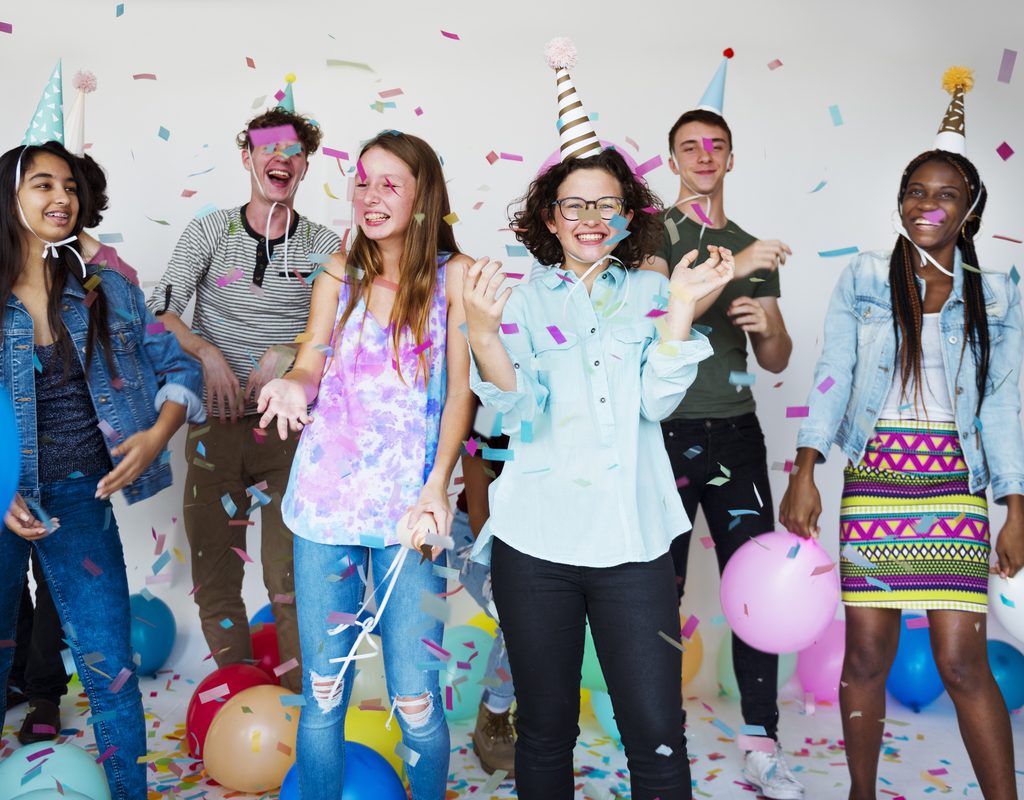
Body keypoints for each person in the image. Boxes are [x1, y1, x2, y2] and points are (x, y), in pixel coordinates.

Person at [462, 39, 733, 800]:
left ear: (626, 215)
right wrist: (483, 335)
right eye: (573, 203)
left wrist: (680, 310)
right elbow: (515, 419)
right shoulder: (515, 299)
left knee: (657, 735)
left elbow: (656, 403)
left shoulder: (650, 295)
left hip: (632, 544)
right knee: (544, 732)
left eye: (605, 202)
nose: (589, 216)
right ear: (549, 217)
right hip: (536, 545)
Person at [779, 68, 1022, 800]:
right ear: (900, 204)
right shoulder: (862, 279)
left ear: (970, 210)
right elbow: (831, 373)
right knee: (867, 656)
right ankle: (861, 793)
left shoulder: (1000, 292)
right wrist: (805, 469)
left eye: (946, 193)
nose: (928, 204)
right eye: (916, 191)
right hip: (876, 482)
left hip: (954, 486)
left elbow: (1006, 403)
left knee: (961, 662)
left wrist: (1017, 504)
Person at [257, 130, 476, 800]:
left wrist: (439, 486)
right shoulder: (337, 269)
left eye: (390, 183)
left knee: (415, 699)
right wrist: (295, 382)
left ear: (422, 195)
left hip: (410, 513)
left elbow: (461, 393)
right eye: (362, 180)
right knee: (323, 693)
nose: (370, 195)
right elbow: (311, 359)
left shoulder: (455, 278)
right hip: (325, 506)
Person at [0, 140, 204, 800]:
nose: (61, 197)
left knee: (110, 672)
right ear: (10, 197)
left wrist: (154, 435)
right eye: (41, 184)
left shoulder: (103, 290)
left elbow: (182, 368)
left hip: (78, 500)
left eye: (69, 186)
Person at [643, 51, 802, 799]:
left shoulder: (754, 246)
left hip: (736, 433)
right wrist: (733, 270)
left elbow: (775, 358)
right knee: (655, 588)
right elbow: (652, 328)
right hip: (662, 434)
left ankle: (761, 741)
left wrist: (767, 318)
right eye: (689, 146)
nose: (703, 156)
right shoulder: (647, 236)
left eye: (715, 145)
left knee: (754, 588)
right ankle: (658, 735)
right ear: (671, 159)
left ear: (730, 156)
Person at [147, 96, 341, 693]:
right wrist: (206, 353)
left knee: (291, 581)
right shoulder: (209, 229)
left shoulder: (324, 245)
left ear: (305, 167)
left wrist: (283, 357)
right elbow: (162, 314)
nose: (281, 159)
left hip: (291, 436)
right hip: (215, 431)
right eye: (269, 148)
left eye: (294, 152)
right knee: (214, 578)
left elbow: (339, 333)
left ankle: (303, 711)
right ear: (247, 158)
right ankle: (235, 699)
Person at [450, 424, 516, 775]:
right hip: (475, 541)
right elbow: (479, 518)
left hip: (528, 540)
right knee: (518, 614)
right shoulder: (480, 428)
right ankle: (494, 716)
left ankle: (531, 715)